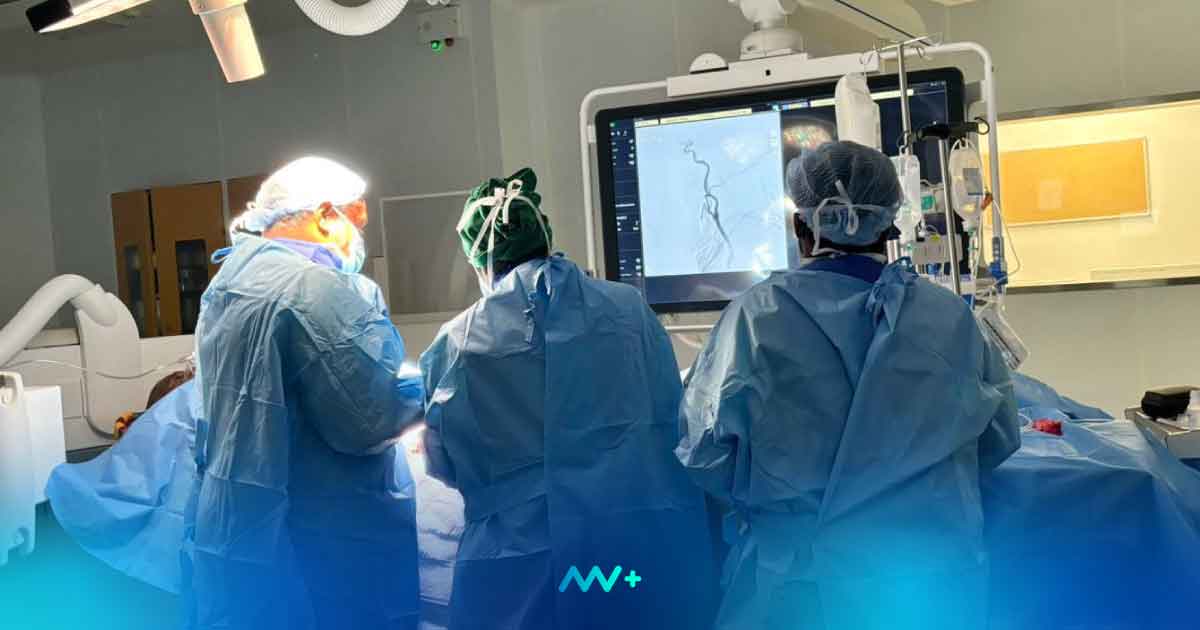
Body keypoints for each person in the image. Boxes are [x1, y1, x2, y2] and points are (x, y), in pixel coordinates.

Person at [676, 141, 1020, 630]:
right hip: (928, 583)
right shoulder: (948, 316)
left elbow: (706, 455)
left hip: (800, 586)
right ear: (890, 225)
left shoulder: (757, 317)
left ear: (800, 227)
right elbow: (999, 439)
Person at [420, 168, 716, 630]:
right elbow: (670, 420)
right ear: (544, 233)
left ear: (481, 260)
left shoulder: (461, 340)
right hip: (629, 547)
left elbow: (443, 463)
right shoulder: (628, 310)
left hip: (520, 562)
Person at [185, 157, 425, 630]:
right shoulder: (313, 288)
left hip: (235, 524)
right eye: (355, 221)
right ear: (324, 215)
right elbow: (371, 417)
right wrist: (437, 382)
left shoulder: (229, 283)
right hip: (317, 538)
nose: (358, 238)